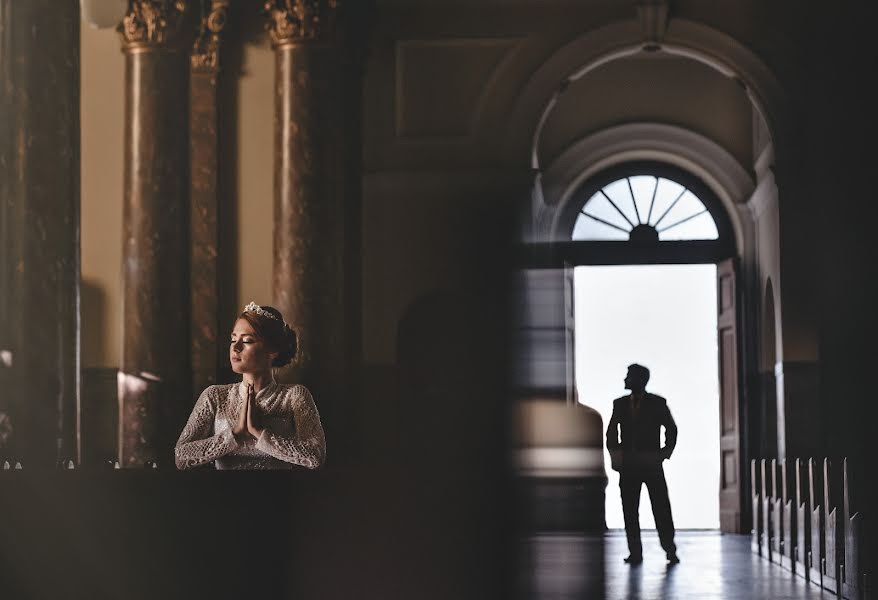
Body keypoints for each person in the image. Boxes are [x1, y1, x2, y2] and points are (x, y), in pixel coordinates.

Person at [175, 302, 326, 470]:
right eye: (233, 339)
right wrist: (235, 434)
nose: (235, 347)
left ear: (272, 350)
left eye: (247, 340)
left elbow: (315, 456)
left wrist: (259, 432)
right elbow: (181, 456)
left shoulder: (294, 396)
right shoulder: (215, 396)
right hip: (222, 494)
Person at [605, 363, 679, 565]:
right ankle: (635, 552)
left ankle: (670, 549)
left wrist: (663, 454)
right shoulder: (619, 404)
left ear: (640, 380)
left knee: (661, 508)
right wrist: (616, 459)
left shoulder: (657, 402)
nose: (625, 379)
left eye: (628, 376)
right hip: (628, 466)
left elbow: (671, 429)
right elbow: (611, 433)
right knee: (630, 510)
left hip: (652, 465)